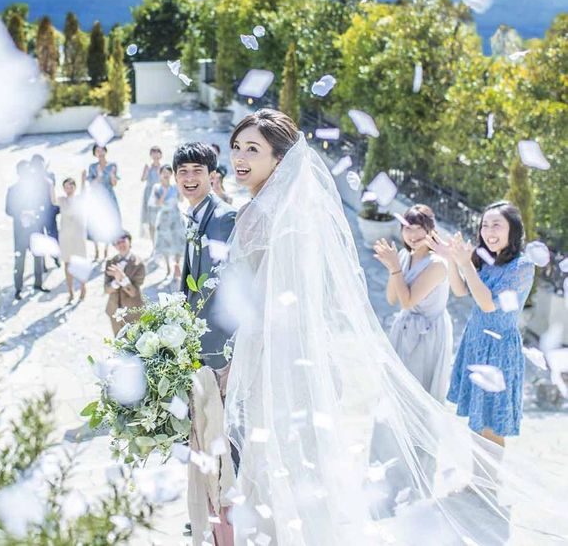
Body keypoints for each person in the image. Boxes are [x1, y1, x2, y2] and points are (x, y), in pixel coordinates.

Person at [193, 108, 568, 545]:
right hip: (273, 350)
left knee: (275, 461)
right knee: (274, 462)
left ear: (280, 159)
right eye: (236, 147)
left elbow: (266, 300)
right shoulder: (270, 210)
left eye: (253, 149)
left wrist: (236, 357)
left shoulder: (272, 216)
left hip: (275, 354)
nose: (239, 157)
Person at [426, 201, 535, 448]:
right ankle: (478, 472)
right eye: (485, 225)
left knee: (492, 423)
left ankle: (488, 475)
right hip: (476, 340)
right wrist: (452, 260)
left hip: (499, 348)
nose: (489, 231)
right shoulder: (487, 259)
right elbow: (460, 290)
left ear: (513, 230)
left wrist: (465, 264)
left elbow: (488, 304)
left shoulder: (522, 266)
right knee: (477, 420)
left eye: (497, 225)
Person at [372, 204, 452, 402]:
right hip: (405, 328)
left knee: (418, 394)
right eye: (408, 228)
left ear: (431, 231)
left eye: (419, 229)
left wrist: (395, 268)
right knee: (397, 392)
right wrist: (393, 267)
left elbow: (407, 301)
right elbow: (392, 299)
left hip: (428, 333)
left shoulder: (437, 264)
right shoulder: (403, 255)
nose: (413, 235)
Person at [174, 142, 236, 370]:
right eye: (183, 171)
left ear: (212, 175)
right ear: (175, 177)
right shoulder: (194, 215)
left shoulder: (224, 219)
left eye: (197, 170)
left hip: (220, 347)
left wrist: (232, 352)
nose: (189, 177)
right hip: (195, 340)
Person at [5, 160, 50, 299]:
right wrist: (21, 214)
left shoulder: (37, 189)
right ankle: (18, 288)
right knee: (19, 259)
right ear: (18, 173)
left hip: (35, 227)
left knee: (38, 256)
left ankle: (38, 283)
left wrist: (35, 214)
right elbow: (8, 209)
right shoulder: (12, 189)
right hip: (20, 230)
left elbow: (44, 205)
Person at [104, 231, 145, 336]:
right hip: (114, 310)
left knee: (133, 340)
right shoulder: (110, 262)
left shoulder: (139, 264)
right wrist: (116, 282)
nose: (120, 245)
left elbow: (133, 292)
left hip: (132, 311)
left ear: (129, 241)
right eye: (117, 243)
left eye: (123, 241)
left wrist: (122, 278)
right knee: (118, 340)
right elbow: (106, 289)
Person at [55, 174, 88, 303]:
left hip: (78, 234)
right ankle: (70, 291)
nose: (68, 189)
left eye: (70, 187)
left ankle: (83, 287)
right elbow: (52, 200)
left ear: (75, 187)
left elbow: (84, 192)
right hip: (65, 235)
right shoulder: (62, 200)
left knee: (80, 262)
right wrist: (50, 184)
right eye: (66, 187)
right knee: (67, 263)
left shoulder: (80, 199)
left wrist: (83, 180)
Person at [150, 165, 185, 282]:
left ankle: (176, 266)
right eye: (163, 172)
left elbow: (181, 200)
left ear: (171, 174)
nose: (166, 175)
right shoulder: (157, 187)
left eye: (168, 172)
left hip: (176, 216)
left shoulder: (175, 187)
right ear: (160, 174)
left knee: (178, 241)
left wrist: (180, 190)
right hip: (164, 217)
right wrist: (165, 192)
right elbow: (157, 204)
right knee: (164, 242)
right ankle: (168, 268)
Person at [87, 144, 121, 261]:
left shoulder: (112, 165)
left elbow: (114, 183)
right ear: (94, 153)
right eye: (97, 151)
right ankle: (96, 249)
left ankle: (106, 249)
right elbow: (91, 184)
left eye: (102, 150)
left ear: (105, 151)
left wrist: (112, 175)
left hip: (109, 195)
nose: (100, 153)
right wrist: (99, 175)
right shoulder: (92, 167)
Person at [31, 154, 60, 262]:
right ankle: (42, 263)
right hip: (37, 210)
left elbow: (52, 187)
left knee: (53, 235)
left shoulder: (50, 175)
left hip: (49, 210)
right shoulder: (31, 177)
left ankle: (55, 257)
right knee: (39, 237)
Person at [141, 146, 163, 243]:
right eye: (153, 153)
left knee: (161, 219)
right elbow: (143, 179)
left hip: (160, 193)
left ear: (160, 155)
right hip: (149, 194)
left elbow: (166, 181)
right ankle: (154, 244)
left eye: (157, 153)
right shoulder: (148, 166)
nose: (155, 155)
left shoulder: (163, 167)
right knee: (150, 221)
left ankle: (160, 243)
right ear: (151, 155)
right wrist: (146, 171)